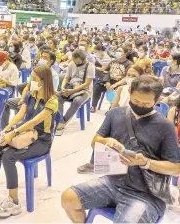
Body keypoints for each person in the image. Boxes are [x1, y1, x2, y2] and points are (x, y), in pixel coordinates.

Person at [61, 75, 180, 223]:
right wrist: (106, 141)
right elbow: (95, 142)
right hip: (112, 181)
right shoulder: (115, 114)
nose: (140, 106)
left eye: (146, 104)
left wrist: (145, 163)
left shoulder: (165, 126)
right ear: (130, 91)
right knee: (68, 198)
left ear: (156, 101)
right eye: (136, 101)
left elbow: (176, 168)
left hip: (146, 194)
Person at [0, 65, 59, 218]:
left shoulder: (52, 101)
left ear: (44, 81)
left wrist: (14, 132)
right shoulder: (31, 94)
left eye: (34, 79)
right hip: (24, 131)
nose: (30, 82)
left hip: (41, 140)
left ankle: (14, 202)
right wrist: (8, 128)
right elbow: (21, 115)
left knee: (9, 156)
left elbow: (33, 121)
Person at [56, 49, 95, 136]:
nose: (75, 63)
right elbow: (66, 77)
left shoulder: (90, 67)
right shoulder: (72, 63)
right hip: (71, 86)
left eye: (77, 61)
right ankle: (60, 121)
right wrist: (62, 87)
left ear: (82, 59)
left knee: (77, 100)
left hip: (85, 90)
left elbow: (87, 84)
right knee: (57, 96)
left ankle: (63, 122)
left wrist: (72, 91)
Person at [90, 47, 132, 113]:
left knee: (119, 91)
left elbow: (127, 78)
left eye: (120, 51)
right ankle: (93, 106)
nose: (118, 52)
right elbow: (106, 72)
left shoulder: (129, 64)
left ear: (125, 54)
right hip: (109, 82)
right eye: (117, 51)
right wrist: (107, 82)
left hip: (119, 84)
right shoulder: (113, 62)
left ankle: (113, 107)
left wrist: (115, 85)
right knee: (97, 86)